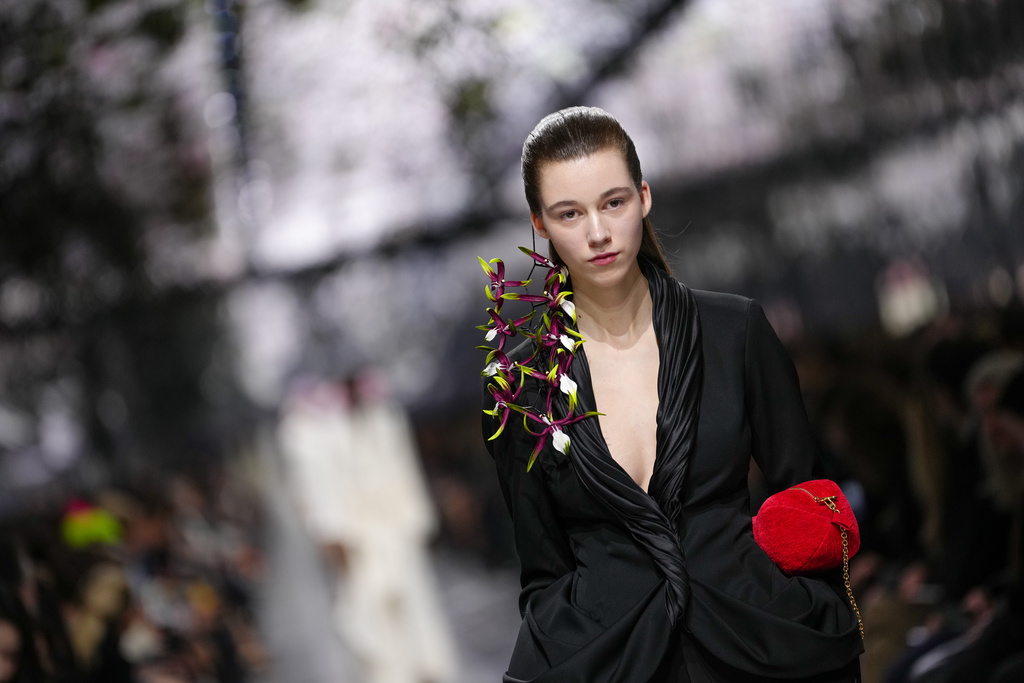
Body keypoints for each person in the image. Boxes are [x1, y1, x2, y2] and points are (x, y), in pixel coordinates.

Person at [481, 107, 864, 682]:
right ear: (540, 224)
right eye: (569, 213)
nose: (597, 233)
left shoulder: (733, 332)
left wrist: (820, 629)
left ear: (644, 197)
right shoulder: (521, 384)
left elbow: (807, 503)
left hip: (757, 635)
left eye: (613, 202)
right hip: (612, 655)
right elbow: (542, 567)